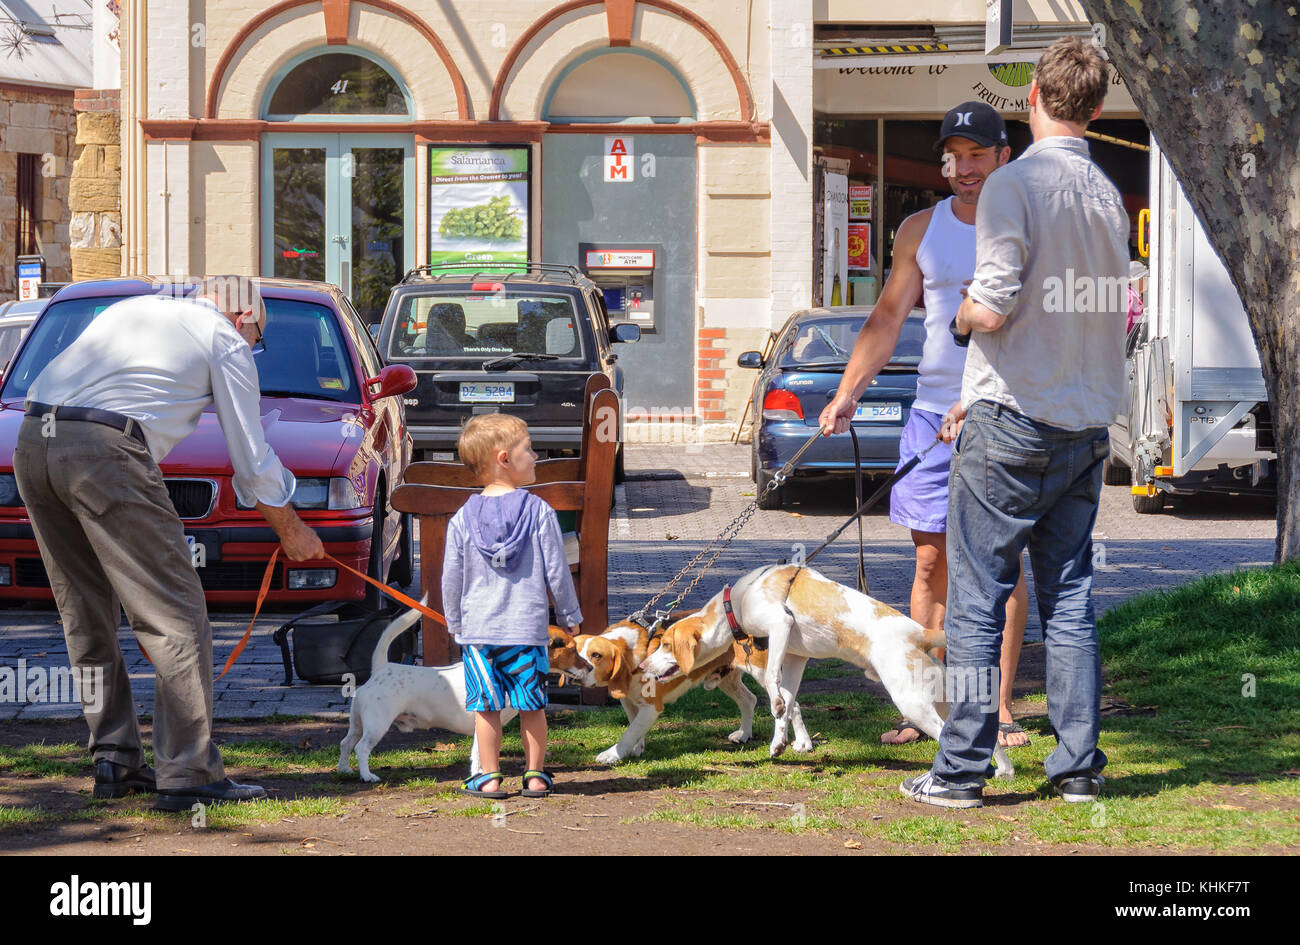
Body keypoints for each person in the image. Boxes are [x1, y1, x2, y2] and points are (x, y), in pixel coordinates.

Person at [901, 37, 1129, 809]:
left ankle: (960, 768)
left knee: (974, 596)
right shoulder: (1105, 192)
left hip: (1011, 423)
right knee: (1069, 597)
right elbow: (1091, 312)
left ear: (1031, 94)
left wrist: (964, 317)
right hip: (1084, 421)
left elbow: (994, 305)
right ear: (1096, 108)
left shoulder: (1011, 183)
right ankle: (1076, 768)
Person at [13, 275, 326, 811]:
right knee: (176, 615)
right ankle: (188, 772)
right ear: (245, 319)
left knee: (82, 615)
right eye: (258, 342)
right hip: (104, 451)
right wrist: (292, 529)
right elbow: (251, 458)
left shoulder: (135, 310)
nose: (253, 350)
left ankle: (113, 759)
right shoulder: (224, 337)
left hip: (33, 441)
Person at [818, 100, 1032, 751]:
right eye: (955, 156)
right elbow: (886, 317)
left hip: (1004, 413)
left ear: (1004, 157)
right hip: (930, 417)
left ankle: (995, 707)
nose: (965, 168)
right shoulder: (919, 228)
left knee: (1001, 562)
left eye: (978, 155)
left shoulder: (1028, 225)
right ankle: (925, 705)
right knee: (930, 559)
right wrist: (848, 390)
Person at [442, 414, 582, 799]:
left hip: (479, 633)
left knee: (486, 709)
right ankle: (535, 776)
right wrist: (571, 617)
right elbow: (558, 571)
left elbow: (450, 575)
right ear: (505, 458)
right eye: (529, 449)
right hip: (527, 631)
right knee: (532, 706)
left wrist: (454, 620)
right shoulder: (539, 512)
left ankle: (488, 777)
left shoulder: (462, 518)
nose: (536, 456)